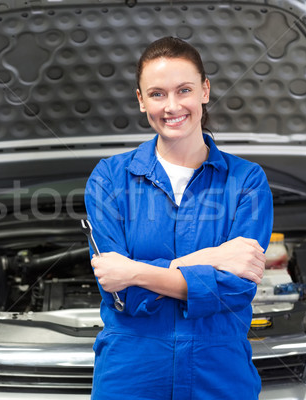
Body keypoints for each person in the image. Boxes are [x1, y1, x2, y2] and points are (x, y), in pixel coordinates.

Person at [84, 36, 273, 400]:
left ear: (205, 90)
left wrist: (136, 271)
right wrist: (213, 258)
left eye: (183, 90)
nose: (172, 106)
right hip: (131, 375)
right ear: (141, 101)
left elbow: (236, 287)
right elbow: (121, 293)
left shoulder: (247, 180)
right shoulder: (109, 178)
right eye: (157, 94)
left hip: (219, 373)